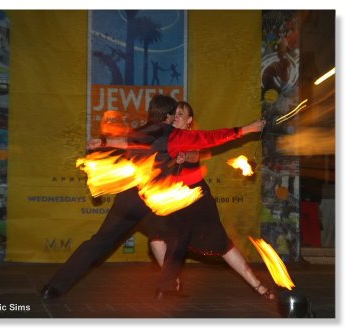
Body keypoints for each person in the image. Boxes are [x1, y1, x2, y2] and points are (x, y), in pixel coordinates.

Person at [41, 94, 264, 300]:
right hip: (153, 201)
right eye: (173, 114)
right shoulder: (174, 136)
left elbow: (124, 142)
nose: (175, 118)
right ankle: (168, 283)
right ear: (167, 116)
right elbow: (211, 138)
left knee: (99, 242)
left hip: (129, 200)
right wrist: (247, 129)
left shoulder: (140, 131)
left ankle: (54, 287)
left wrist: (101, 141)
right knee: (181, 233)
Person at [138, 101, 275, 300]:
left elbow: (206, 144)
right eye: (173, 113)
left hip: (196, 201)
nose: (175, 116)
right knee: (157, 238)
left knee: (222, 244)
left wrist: (248, 129)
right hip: (171, 197)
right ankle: (171, 280)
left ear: (189, 121)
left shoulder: (190, 138)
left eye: (181, 114)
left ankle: (257, 285)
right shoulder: (164, 137)